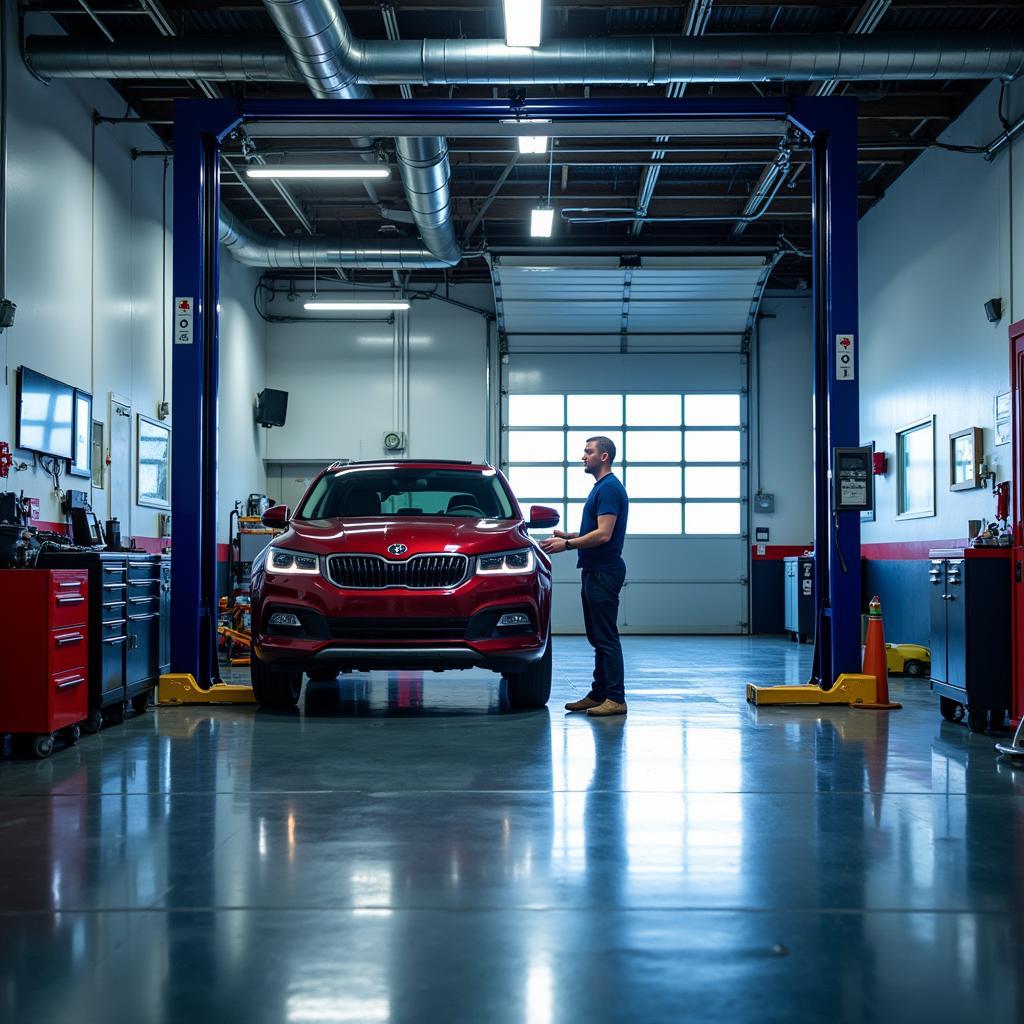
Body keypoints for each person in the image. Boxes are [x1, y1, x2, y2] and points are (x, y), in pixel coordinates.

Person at [540, 436, 629, 717]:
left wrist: (566, 545)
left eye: (588, 452)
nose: (583, 456)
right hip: (594, 570)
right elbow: (596, 530)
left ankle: (616, 698)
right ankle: (599, 693)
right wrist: (569, 535)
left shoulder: (610, 489)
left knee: (606, 637)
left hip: (604, 571)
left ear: (604, 457)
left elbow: (604, 534)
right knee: (597, 637)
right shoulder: (601, 488)